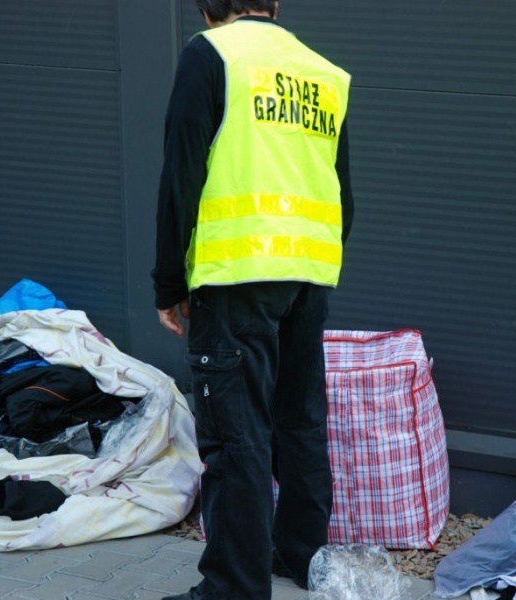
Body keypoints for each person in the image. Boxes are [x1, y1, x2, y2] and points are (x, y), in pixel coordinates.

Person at [152, 1, 353, 598]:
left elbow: (180, 175)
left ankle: (234, 588)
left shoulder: (210, 54)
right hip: (307, 272)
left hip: (237, 275)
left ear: (209, 7)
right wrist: (312, 263)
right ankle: (302, 558)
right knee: (299, 422)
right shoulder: (322, 71)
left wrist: (169, 282)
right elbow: (343, 189)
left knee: (235, 434)